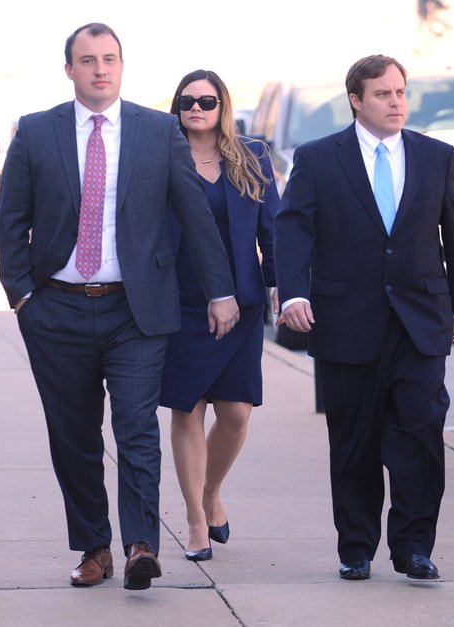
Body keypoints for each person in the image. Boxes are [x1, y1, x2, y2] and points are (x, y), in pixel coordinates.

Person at [0, 23, 239, 591]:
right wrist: (23, 296)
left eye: (109, 59)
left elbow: (194, 215)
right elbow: (11, 221)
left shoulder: (158, 131)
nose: (99, 69)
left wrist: (220, 290)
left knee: (136, 430)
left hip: (136, 310)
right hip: (55, 309)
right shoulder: (36, 132)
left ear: (122, 67)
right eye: (87, 60)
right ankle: (94, 548)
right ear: (69, 70)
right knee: (74, 436)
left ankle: (139, 546)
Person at [274, 54, 454, 581]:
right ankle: (357, 548)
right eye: (383, 94)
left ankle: (413, 547)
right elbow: (294, 229)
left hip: (421, 321)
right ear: (356, 101)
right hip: (345, 321)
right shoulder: (318, 158)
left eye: (401, 92)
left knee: (421, 436)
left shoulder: (436, 156)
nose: (396, 102)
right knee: (355, 442)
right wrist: (293, 294)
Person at [160, 70, 279, 561]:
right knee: (188, 408)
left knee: (235, 412)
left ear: (221, 105)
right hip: (180, 302)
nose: (196, 108)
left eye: (207, 101)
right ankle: (193, 520)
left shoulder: (251, 156)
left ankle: (211, 493)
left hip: (242, 302)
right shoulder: (163, 155)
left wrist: (280, 285)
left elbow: (274, 226)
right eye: (187, 100)